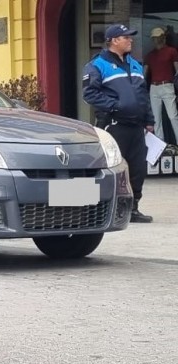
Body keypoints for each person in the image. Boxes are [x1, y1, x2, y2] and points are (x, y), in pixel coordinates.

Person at [82, 24, 155, 223]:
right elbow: (89, 94)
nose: (130, 40)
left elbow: (143, 95)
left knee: (138, 169)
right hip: (113, 125)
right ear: (114, 40)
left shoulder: (135, 64)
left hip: (136, 127)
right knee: (113, 168)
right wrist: (116, 105)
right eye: (126, 37)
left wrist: (149, 120)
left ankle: (133, 209)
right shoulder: (97, 65)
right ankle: (105, 208)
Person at [144, 27, 178, 144]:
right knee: (156, 119)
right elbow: (145, 73)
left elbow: (177, 70)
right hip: (154, 87)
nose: (157, 40)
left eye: (158, 37)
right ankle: (160, 146)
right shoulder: (150, 55)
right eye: (155, 38)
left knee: (173, 116)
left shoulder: (171, 51)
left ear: (163, 37)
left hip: (167, 85)